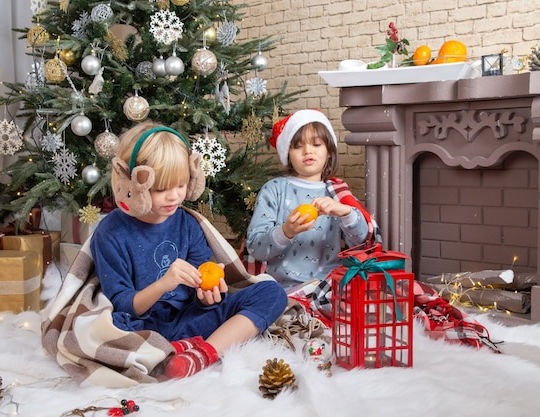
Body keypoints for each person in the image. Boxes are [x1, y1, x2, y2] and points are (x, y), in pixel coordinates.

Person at [90, 121, 288, 380]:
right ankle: (177, 348)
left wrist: (208, 294)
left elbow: (203, 291)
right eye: (161, 189)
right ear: (133, 181)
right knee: (113, 332)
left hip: (191, 320)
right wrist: (163, 284)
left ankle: (201, 353)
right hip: (146, 328)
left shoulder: (188, 223)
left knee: (271, 291)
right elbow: (123, 306)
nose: (174, 196)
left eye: (181, 185)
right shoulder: (110, 233)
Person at [245, 109, 378, 290]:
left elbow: (362, 244)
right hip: (280, 289)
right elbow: (255, 249)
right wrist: (286, 231)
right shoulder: (274, 190)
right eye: (298, 146)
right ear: (288, 154)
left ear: (329, 151)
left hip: (330, 288)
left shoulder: (338, 195)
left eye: (316, 144)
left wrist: (345, 212)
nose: (308, 151)